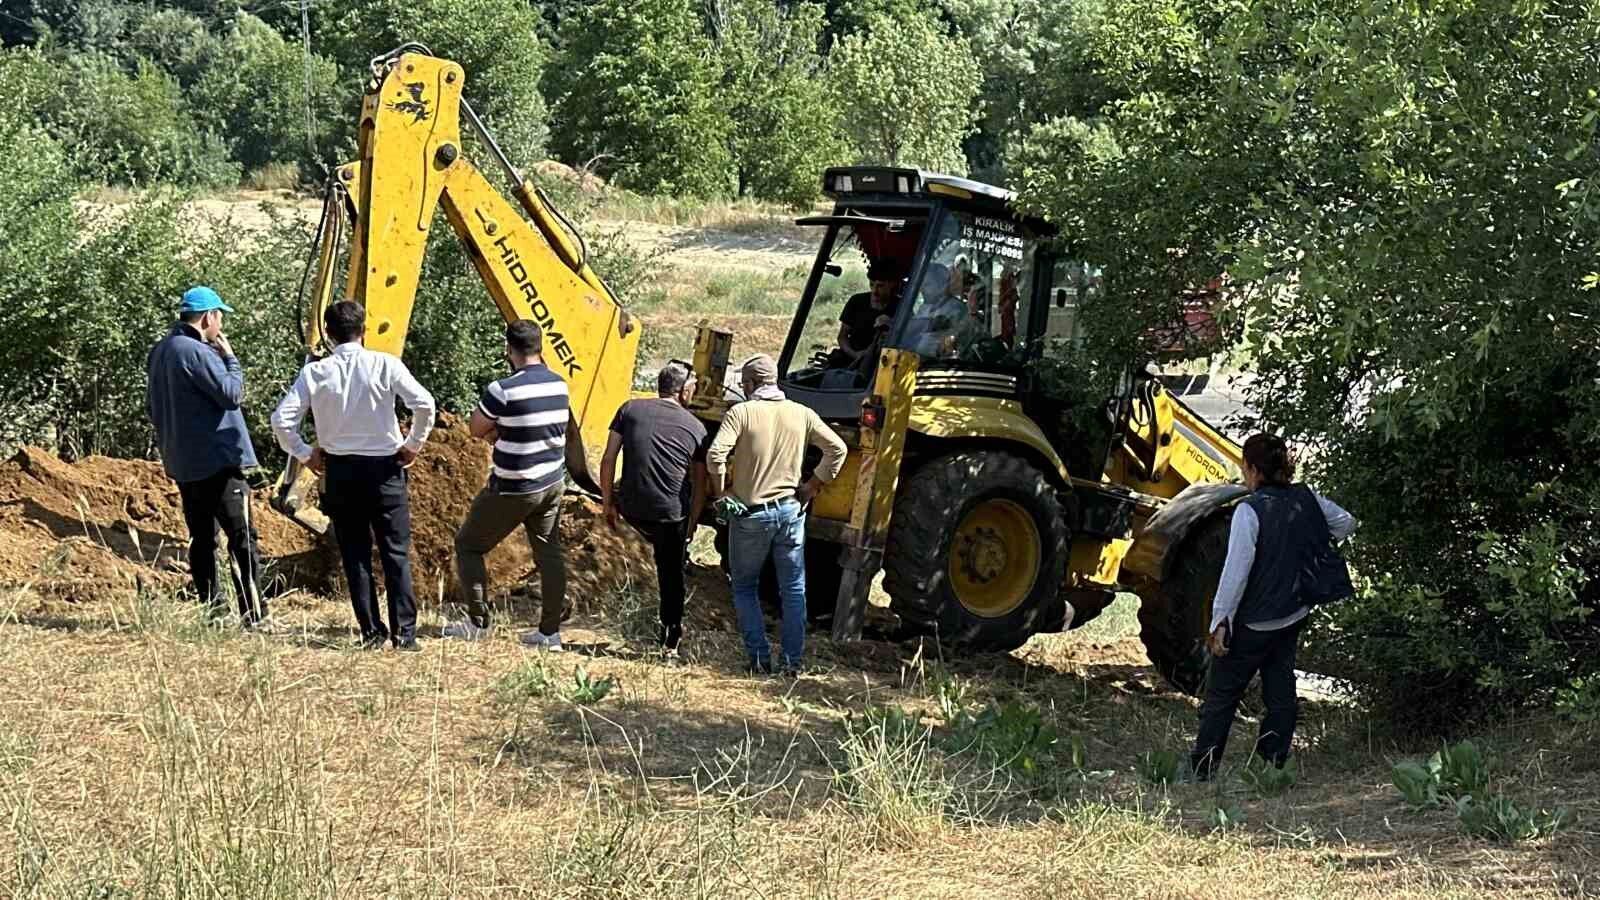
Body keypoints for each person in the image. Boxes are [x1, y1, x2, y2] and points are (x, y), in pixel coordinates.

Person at [1189, 433, 1357, 781]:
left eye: (1244, 467)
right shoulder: (1306, 499)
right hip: (1293, 614)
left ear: (1252, 469)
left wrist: (1219, 620)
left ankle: (1202, 770)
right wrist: (1307, 545)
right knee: (1280, 691)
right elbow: (1346, 523)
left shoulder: (1249, 511)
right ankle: (1271, 763)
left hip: (1254, 622)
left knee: (1221, 695)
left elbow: (1235, 573)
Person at [271, 301, 436, 650]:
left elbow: (281, 420)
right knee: (395, 552)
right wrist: (413, 445)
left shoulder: (315, 373)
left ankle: (371, 633)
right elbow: (424, 404)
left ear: (328, 334)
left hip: (340, 471)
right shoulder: (386, 364)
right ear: (365, 330)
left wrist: (306, 454)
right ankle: (404, 636)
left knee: (355, 553)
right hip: (385, 469)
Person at [705, 354, 846, 674]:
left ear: (752, 383)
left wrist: (721, 491)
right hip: (790, 512)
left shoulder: (741, 412)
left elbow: (716, 455)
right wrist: (811, 486)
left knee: (744, 587)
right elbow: (837, 449)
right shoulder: (802, 413)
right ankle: (792, 663)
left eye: (744, 384)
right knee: (794, 589)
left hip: (752, 514)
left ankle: (758, 658)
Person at [147, 285, 271, 629]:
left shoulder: (159, 351)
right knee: (242, 538)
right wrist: (230, 358)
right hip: (218, 461)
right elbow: (232, 394)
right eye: (219, 318)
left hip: (184, 463)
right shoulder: (197, 352)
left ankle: (214, 612)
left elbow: (151, 408)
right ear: (208, 317)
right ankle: (254, 615)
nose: (220, 327)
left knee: (201, 540)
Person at [442, 320, 570, 650]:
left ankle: (478, 623)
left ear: (508, 350)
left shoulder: (503, 390)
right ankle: (549, 634)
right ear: (540, 347)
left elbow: (474, 428)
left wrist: (498, 433)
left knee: (468, 545)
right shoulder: (560, 385)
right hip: (553, 482)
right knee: (549, 554)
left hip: (515, 487)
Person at [599, 363, 709, 660]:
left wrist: (608, 503)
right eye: (694, 387)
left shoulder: (629, 409)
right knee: (672, 573)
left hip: (630, 507)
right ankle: (670, 640)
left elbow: (609, 459)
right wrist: (693, 523)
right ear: (684, 390)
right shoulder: (697, 428)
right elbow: (700, 483)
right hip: (669, 514)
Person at [831, 259, 901, 367]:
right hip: (851, 360)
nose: (874, 291)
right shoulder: (856, 301)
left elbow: (908, 338)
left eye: (880, 286)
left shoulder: (901, 306)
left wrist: (891, 325)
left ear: (892, 284)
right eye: (872, 285)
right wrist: (855, 355)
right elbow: (842, 337)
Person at [907, 262, 978, 359]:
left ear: (941, 285)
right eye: (922, 285)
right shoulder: (923, 308)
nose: (922, 289)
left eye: (927, 285)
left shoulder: (956, 308)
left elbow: (953, 342)